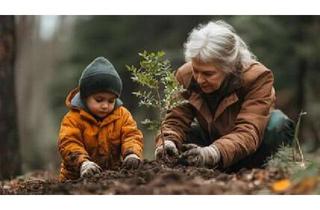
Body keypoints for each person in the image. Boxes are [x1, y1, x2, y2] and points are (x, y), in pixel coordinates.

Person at [155, 20, 294, 171]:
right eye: (196, 70)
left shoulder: (258, 78)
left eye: (208, 73)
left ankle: (265, 169)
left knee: (278, 125)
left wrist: (214, 152)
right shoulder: (185, 75)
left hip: (251, 148)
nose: (200, 79)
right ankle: (199, 166)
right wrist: (168, 142)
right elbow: (176, 119)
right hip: (209, 139)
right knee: (184, 135)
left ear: (228, 67)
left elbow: (249, 130)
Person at [58, 57, 143, 181]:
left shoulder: (122, 115)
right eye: (99, 100)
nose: (105, 105)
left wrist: (131, 153)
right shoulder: (72, 119)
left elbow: (131, 135)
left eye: (111, 101)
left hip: (112, 176)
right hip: (74, 178)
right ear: (85, 97)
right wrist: (83, 163)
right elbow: (68, 143)